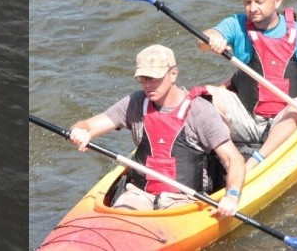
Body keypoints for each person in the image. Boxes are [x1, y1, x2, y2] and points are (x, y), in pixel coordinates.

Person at [68, 44, 245, 215]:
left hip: (186, 202)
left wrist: (232, 196)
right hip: (138, 196)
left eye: (154, 78)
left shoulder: (199, 111)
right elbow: (90, 125)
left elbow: (234, 160)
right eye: (142, 78)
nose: (147, 85)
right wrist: (80, 131)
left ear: (173, 73)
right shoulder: (135, 103)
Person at [197, 0, 297, 171]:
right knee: (207, 95)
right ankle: (227, 156)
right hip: (248, 115)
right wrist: (211, 39)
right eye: (247, 2)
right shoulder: (237, 24)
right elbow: (202, 40)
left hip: (285, 120)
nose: (252, 8)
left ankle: (253, 164)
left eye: (259, 2)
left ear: (277, 1)